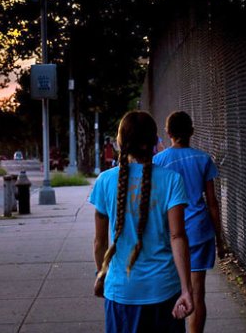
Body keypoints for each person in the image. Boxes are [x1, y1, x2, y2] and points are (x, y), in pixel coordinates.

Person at [90, 111, 194, 332]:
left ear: (120, 142)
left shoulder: (104, 181)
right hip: (164, 291)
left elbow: (100, 243)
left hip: (121, 292)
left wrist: (102, 275)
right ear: (155, 140)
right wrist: (186, 290)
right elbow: (177, 236)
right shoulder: (172, 180)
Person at [153, 110, 229, 333]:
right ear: (192, 132)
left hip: (169, 233)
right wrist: (220, 239)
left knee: (172, 291)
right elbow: (212, 202)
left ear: (167, 133)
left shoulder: (158, 161)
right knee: (197, 292)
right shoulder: (203, 159)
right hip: (199, 231)